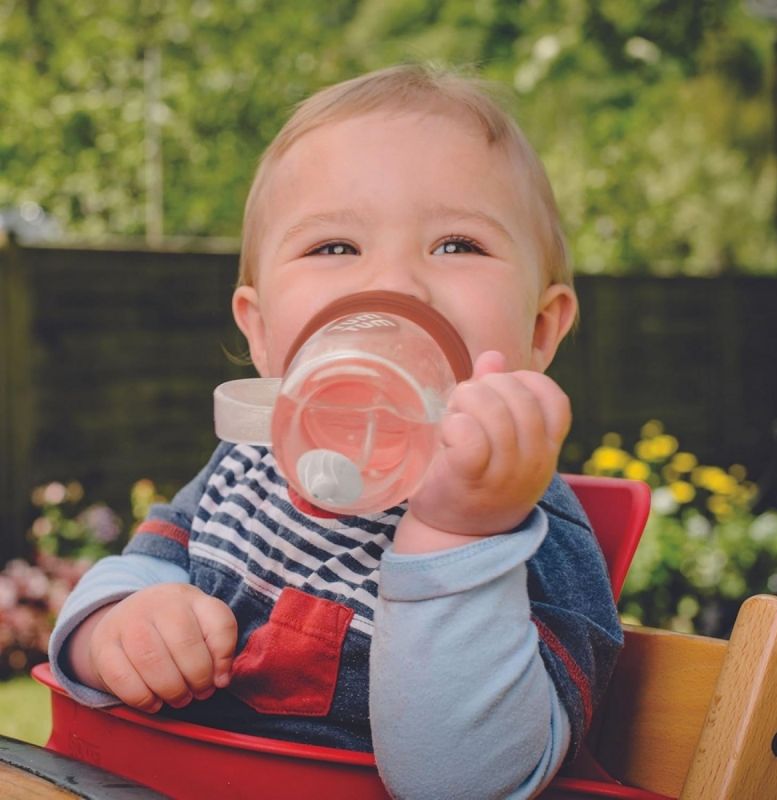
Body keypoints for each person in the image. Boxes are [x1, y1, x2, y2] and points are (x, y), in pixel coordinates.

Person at [49, 64, 622, 799]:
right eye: (334, 248)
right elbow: (139, 571)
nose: (393, 285)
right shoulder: (244, 468)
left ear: (540, 330)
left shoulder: (530, 532)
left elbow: (464, 782)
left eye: (455, 245)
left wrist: (461, 533)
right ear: (261, 334)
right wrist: (121, 627)